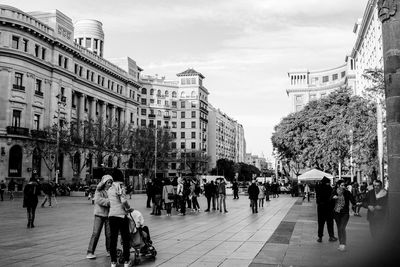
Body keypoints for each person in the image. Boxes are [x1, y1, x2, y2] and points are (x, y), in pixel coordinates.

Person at [108, 169, 133, 267]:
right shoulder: (121, 186)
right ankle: (126, 261)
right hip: (121, 215)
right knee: (125, 238)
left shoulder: (110, 188)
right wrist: (129, 208)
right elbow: (123, 200)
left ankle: (113, 262)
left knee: (113, 239)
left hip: (112, 216)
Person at [86, 175, 113, 260]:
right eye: (108, 182)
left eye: (111, 182)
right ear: (104, 183)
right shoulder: (99, 190)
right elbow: (98, 200)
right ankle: (90, 252)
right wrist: (110, 202)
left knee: (109, 234)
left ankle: (109, 250)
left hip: (109, 215)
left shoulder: (112, 191)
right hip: (99, 214)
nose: (110, 184)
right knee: (96, 233)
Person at [331, 179, 356, 252]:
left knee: (342, 227)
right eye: (342, 185)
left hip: (345, 213)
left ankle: (343, 244)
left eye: (344, 185)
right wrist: (333, 198)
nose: (343, 186)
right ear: (338, 185)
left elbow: (353, 200)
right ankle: (341, 243)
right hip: (336, 213)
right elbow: (329, 199)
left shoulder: (347, 193)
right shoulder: (334, 192)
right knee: (339, 228)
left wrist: (356, 203)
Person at [315, 177, 337, 243]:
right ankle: (331, 236)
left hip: (320, 209)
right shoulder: (329, 189)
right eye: (328, 183)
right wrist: (333, 199)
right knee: (330, 223)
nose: (329, 184)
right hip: (328, 209)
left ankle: (320, 237)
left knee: (321, 223)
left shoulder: (318, 188)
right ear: (326, 182)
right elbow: (331, 198)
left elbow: (318, 200)